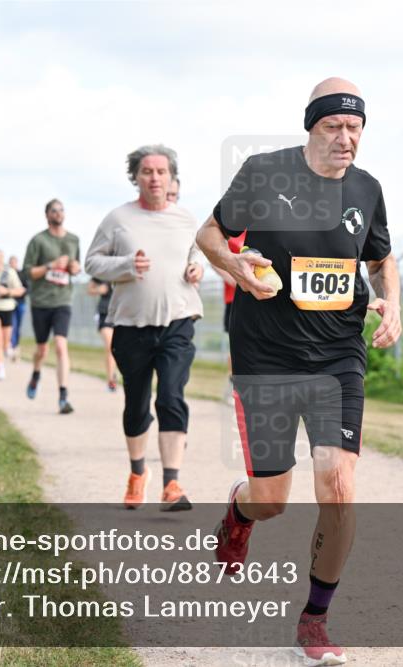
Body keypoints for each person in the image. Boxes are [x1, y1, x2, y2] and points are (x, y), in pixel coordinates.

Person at [196, 77, 401, 665]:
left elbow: (382, 259)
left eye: (356, 128)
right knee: (272, 497)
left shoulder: (367, 189)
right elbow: (209, 235)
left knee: (339, 487)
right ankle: (240, 513)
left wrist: (392, 304)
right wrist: (237, 266)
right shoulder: (264, 173)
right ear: (310, 127)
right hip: (265, 357)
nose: (347, 139)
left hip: (339, 357)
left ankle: (315, 619)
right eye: (334, 127)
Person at [85, 144, 204, 512]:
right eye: (147, 172)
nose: (154, 177)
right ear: (135, 177)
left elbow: (198, 252)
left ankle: (172, 483)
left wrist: (197, 266)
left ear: (171, 176)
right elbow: (92, 262)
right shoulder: (118, 219)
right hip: (131, 326)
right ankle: (138, 474)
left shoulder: (185, 219)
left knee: (171, 396)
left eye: (161, 171)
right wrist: (125, 264)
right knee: (136, 404)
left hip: (178, 321)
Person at [23, 199, 82, 414]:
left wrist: (75, 268)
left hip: (63, 300)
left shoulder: (74, 239)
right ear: (47, 215)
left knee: (60, 344)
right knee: (42, 349)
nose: (58, 214)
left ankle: (63, 395)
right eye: (54, 211)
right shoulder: (38, 241)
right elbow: (28, 272)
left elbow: (76, 267)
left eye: (61, 210)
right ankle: (36, 373)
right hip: (41, 301)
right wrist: (51, 265)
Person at [211, 230, 246, 401]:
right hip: (234, 299)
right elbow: (214, 259)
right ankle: (233, 386)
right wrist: (230, 277)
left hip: (260, 297)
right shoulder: (233, 231)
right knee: (236, 345)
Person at [0, 249, 26, 380]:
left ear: (3, 259)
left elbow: (20, 290)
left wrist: (6, 291)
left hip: (7, 308)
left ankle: (7, 348)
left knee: (5, 340)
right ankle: (0, 368)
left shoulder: (10, 273)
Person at [86, 277, 117, 391]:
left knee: (120, 348)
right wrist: (99, 289)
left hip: (122, 313)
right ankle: (110, 380)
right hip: (105, 314)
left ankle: (114, 372)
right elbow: (89, 289)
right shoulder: (104, 270)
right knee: (110, 346)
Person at [8, 254, 29, 362]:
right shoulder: (6, 274)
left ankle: (16, 346)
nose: (12, 264)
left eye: (14, 262)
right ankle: (11, 346)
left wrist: (18, 293)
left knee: (18, 326)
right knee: (13, 325)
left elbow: (27, 288)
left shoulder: (22, 274)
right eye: (11, 262)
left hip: (20, 303)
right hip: (9, 304)